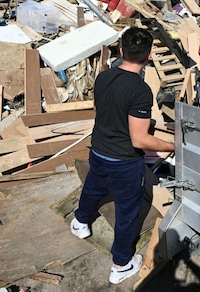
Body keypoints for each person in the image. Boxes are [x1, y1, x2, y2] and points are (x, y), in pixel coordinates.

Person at [70, 27, 175, 285]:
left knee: (94, 187)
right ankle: (120, 265)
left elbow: (100, 109)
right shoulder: (139, 90)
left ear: (120, 50)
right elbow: (139, 140)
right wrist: (174, 146)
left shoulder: (104, 77)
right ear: (149, 56)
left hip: (99, 151)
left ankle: (80, 221)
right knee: (128, 213)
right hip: (124, 163)